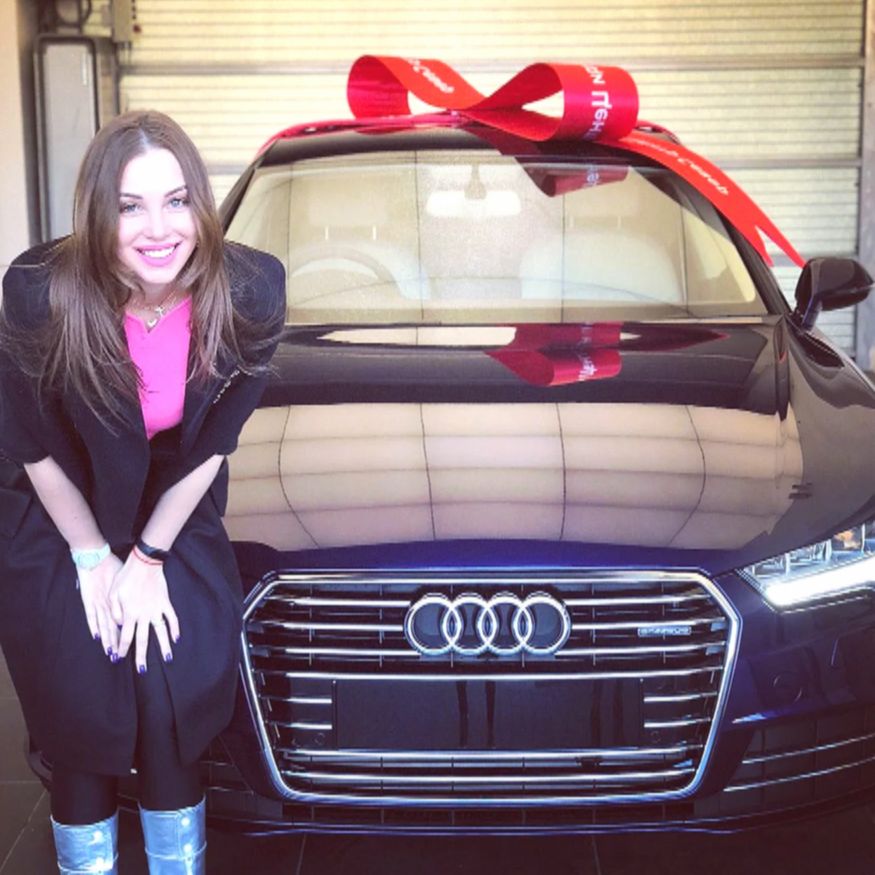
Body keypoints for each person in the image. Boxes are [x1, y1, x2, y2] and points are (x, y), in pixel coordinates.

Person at [0, 110, 285, 874]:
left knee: (168, 683)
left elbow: (213, 444)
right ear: (99, 213)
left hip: (170, 497)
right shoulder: (39, 291)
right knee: (79, 689)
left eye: (176, 200)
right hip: (61, 494)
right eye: (130, 206)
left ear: (201, 204)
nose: (159, 229)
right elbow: (29, 443)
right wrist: (92, 557)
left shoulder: (250, 290)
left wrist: (150, 557)